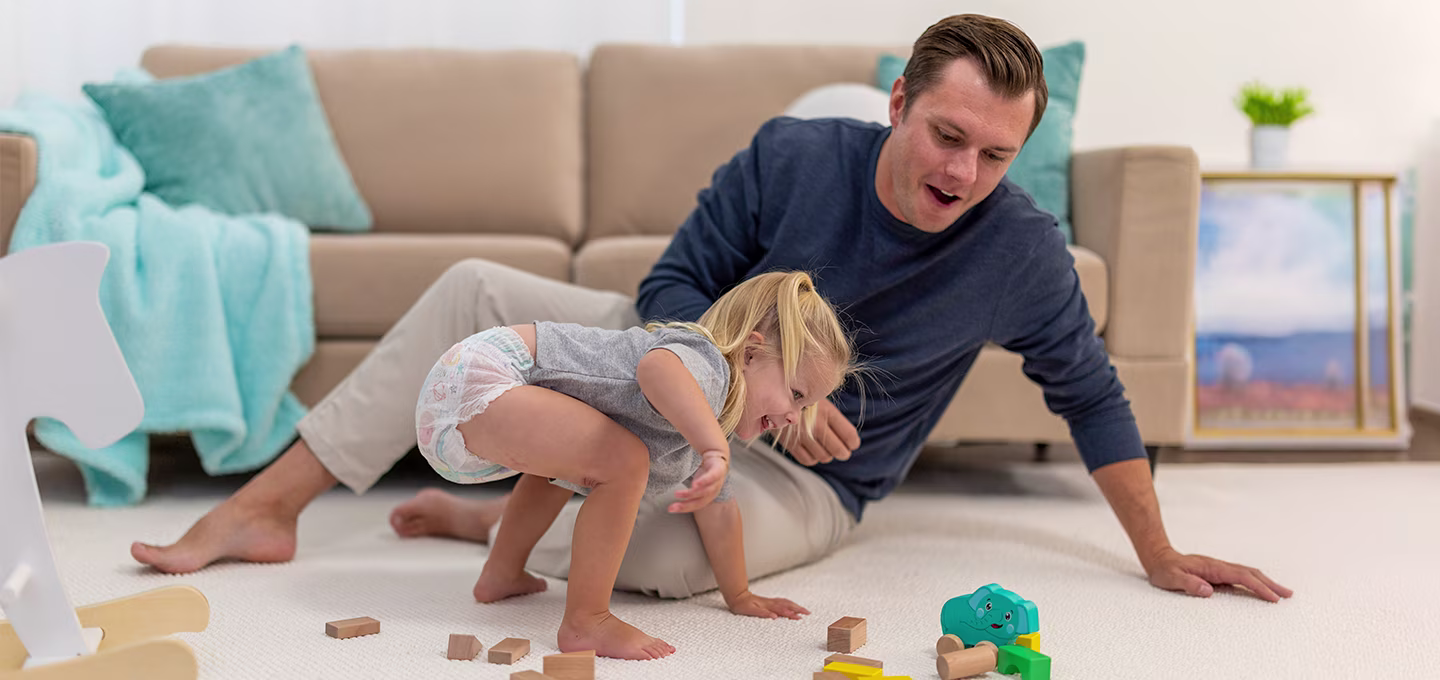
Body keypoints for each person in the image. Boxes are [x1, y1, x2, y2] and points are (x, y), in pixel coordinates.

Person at [133, 13, 1292, 605]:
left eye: (997, 154)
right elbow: (672, 285)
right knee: (473, 289)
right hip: (680, 370)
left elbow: (1090, 394)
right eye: (947, 136)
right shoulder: (794, 153)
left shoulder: (1024, 250)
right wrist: (741, 388)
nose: (964, 174)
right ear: (898, 103)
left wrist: (1160, 549)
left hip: (810, 477)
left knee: (669, 557)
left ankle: (494, 517)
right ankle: (263, 507)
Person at [411, 271, 852, 660]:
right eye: (797, 394)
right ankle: (587, 620)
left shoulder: (701, 429)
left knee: (561, 474)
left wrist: (739, 595)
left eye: (807, 405)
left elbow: (719, 512)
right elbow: (657, 368)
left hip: (467, 394)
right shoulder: (708, 363)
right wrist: (714, 446)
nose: (796, 417)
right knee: (624, 461)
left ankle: (501, 573)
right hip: (488, 374)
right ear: (751, 354)